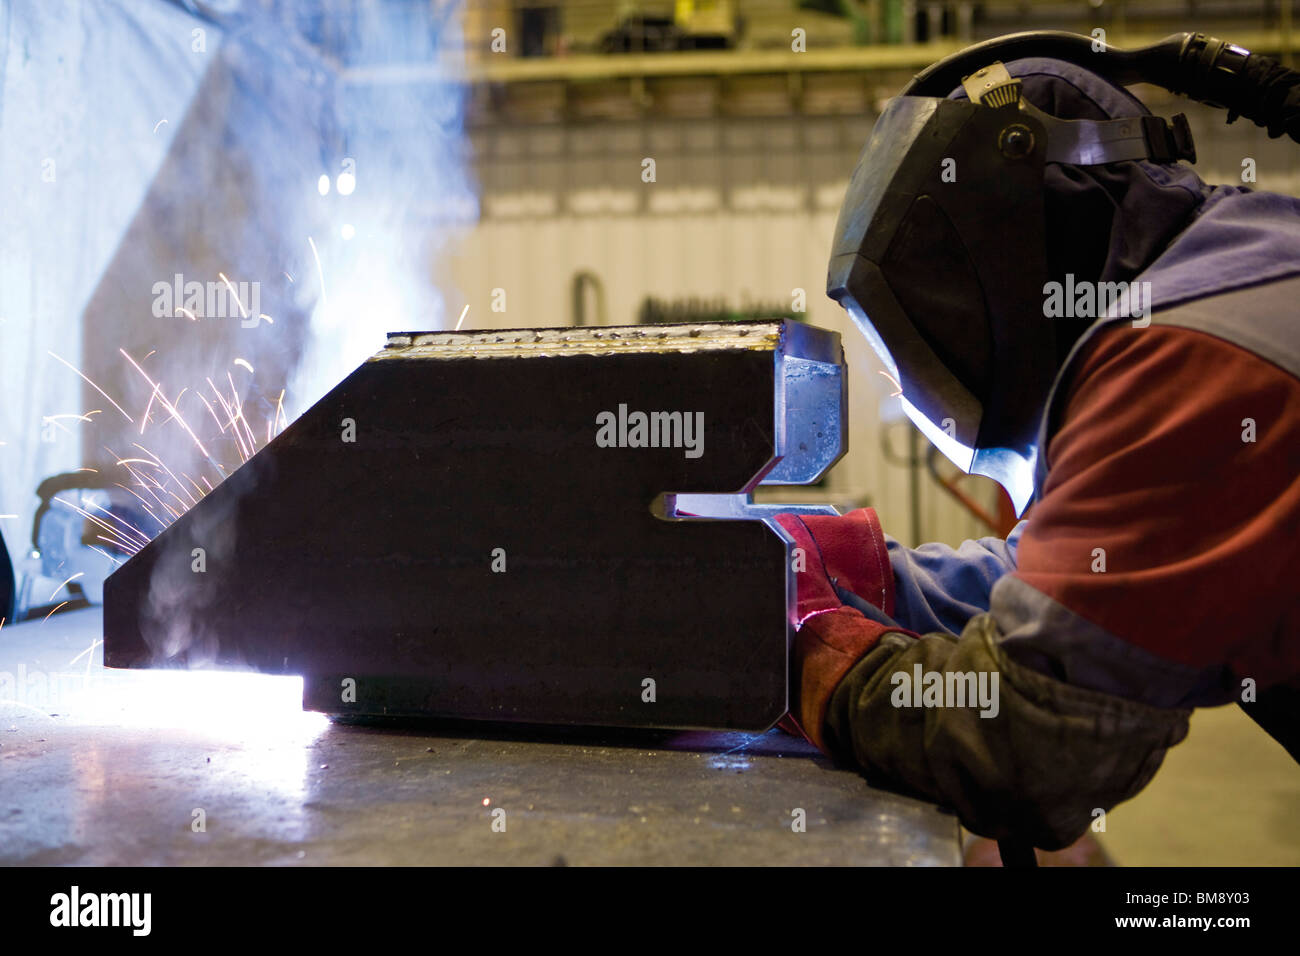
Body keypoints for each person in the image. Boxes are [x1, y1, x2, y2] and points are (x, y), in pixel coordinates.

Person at [775, 34, 1300, 858]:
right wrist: (851, 567)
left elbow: (1025, 746)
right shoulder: (1231, 281)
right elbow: (1072, 589)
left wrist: (806, 661)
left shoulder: (1193, 362)